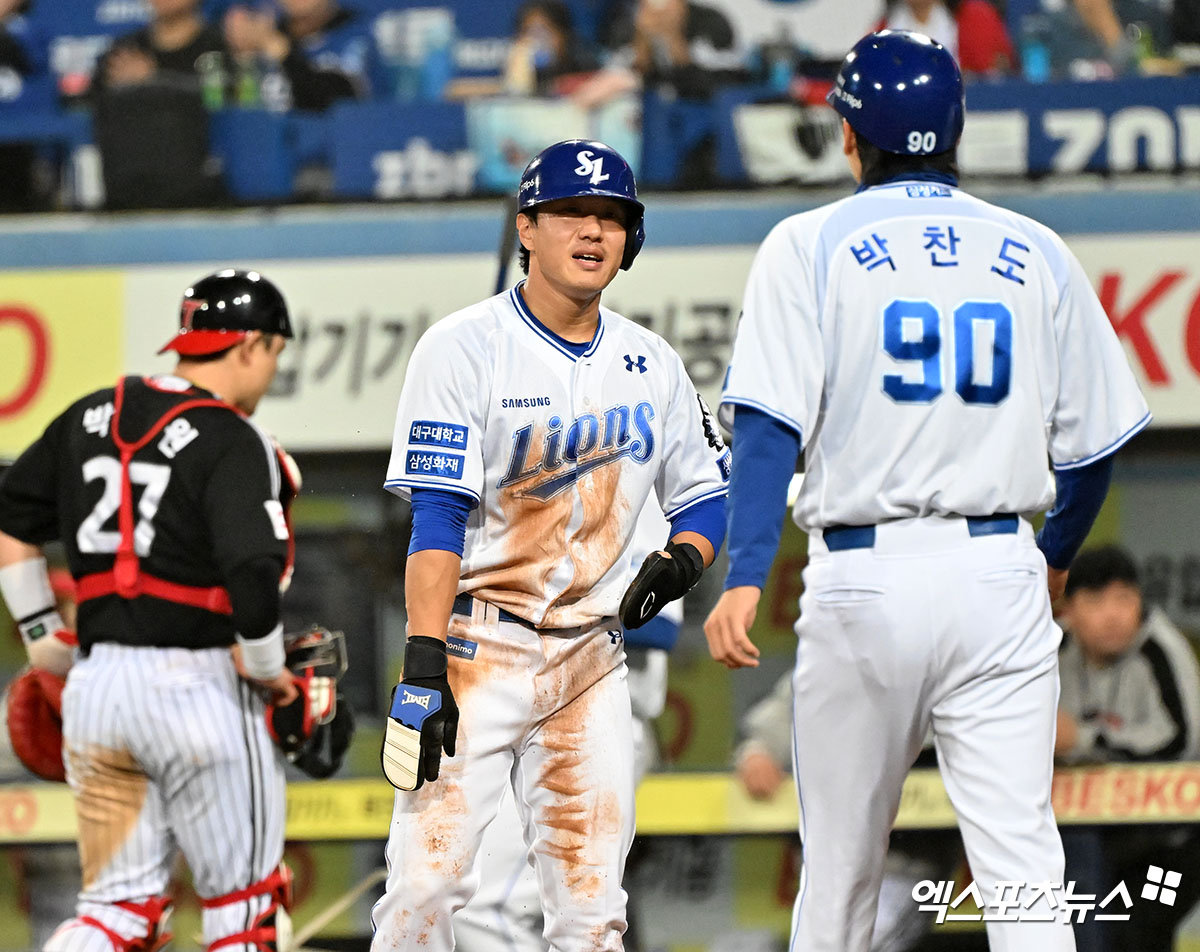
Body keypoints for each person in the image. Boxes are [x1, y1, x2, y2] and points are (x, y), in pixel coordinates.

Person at [704, 29, 1150, 952]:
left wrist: (746, 573)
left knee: (840, 876)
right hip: (998, 570)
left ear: (850, 137)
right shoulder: (1037, 248)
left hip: (864, 575)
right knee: (1024, 873)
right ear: (955, 128)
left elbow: (768, 430)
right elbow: (1094, 447)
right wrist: (1054, 556)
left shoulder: (807, 243)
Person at [372, 138, 730, 952]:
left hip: (591, 658)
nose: (593, 230)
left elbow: (706, 498)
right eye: (571, 212)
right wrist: (423, 663)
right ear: (527, 227)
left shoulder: (653, 362)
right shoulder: (461, 345)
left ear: (631, 240)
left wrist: (685, 559)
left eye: (611, 217)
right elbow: (436, 520)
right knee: (425, 886)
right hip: (478, 647)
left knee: (592, 908)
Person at [0, 270, 304, 952]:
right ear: (250, 344)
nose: (271, 370)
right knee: (244, 908)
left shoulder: (90, 414)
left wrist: (41, 632)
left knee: (114, 913)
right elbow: (253, 571)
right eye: (275, 352)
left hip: (98, 690)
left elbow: (11, 518)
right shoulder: (232, 436)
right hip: (199, 689)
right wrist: (266, 668)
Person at [453, 497, 683, 952]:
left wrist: (520, 599)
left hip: (595, 713)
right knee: (492, 905)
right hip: (502, 713)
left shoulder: (624, 467)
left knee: (503, 908)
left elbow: (656, 620)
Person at [735, 670, 960, 952]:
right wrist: (757, 751)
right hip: (831, 855)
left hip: (908, 860)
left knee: (859, 939)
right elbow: (784, 710)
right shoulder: (841, 655)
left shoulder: (949, 662)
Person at [1055, 545, 1200, 952]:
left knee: (1140, 929)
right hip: (1090, 834)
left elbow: (1181, 742)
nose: (1113, 615)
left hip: (1174, 841)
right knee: (1089, 930)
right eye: (1096, 601)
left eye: (1124, 598)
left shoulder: (1161, 648)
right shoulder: (1050, 650)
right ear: (1069, 610)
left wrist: (1084, 741)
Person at [223, 0, 385, 111]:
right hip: (267, 146)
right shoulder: (265, 34)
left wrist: (282, 53)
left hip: (336, 146)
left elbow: (333, 103)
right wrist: (239, 56)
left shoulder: (356, 32)